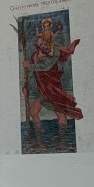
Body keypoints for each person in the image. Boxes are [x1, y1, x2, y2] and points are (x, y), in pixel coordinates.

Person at [22, 17, 81, 149]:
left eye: (45, 42)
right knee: (33, 112)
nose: (45, 44)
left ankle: (63, 141)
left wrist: (29, 66)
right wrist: (25, 86)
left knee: (60, 113)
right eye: (42, 44)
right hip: (42, 90)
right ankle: (39, 142)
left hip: (53, 89)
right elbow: (30, 72)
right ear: (38, 47)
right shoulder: (34, 57)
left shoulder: (54, 53)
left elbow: (46, 66)